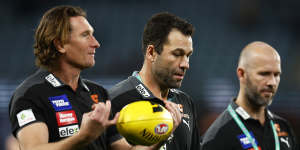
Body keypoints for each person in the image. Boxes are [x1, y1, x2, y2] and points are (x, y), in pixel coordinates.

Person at [8, 5, 180, 150]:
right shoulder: (30, 95)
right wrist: (84, 136)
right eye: (85, 35)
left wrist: (162, 133)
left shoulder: (98, 93)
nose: (96, 43)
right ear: (59, 44)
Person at [108, 12, 200, 150]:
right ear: (151, 53)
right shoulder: (115, 101)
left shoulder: (185, 102)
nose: (185, 64)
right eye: (177, 54)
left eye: (188, 55)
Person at [201, 41, 299, 150]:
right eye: (263, 74)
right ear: (242, 74)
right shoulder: (218, 134)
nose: (272, 82)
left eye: (276, 74)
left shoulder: (284, 127)